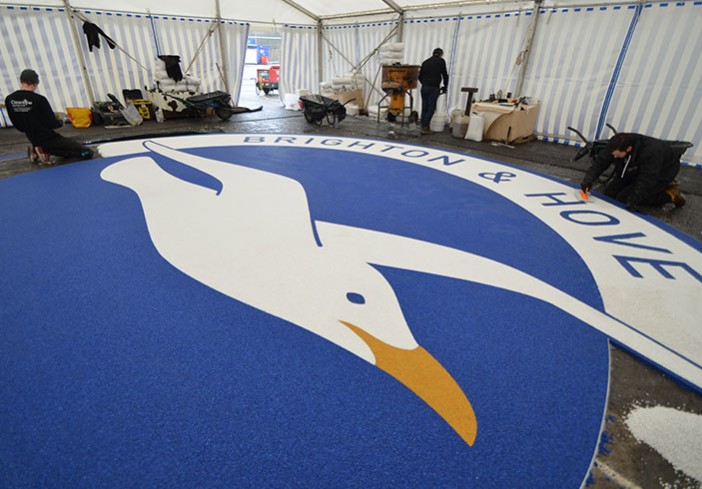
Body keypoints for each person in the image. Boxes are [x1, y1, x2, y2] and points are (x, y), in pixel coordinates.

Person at [4, 69, 93, 164]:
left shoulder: (9, 99)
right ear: (35, 83)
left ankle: (39, 149)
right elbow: (52, 123)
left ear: (21, 81)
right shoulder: (39, 99)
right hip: (48, 137)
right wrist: (60, 122)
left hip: (32, 137)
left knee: (65, 151)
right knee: (86, 152)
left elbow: (18, 125)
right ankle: (41, 149)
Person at [580, 132, 686, 211]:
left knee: (625, 198)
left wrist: (634, 199)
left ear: (629, 149)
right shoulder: (616, 144)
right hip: (637, 167)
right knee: (610, 192)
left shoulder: (651, 152)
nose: (614, 157)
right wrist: (588, 180)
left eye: (617, 155)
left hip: (663, 171)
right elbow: (601, 161)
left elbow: (647, 179)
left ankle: (670, 195)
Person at [418, 48, 449, 135]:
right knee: (431, 108)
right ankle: (425, 127)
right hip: (433, 87)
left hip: (424, 87)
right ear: (441, 54)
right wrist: (445, 86)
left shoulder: (425, 62)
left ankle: (423, 125)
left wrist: (424, 83)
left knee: (424, 106)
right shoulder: (441, 61)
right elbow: (445, 75)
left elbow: (419, 76)